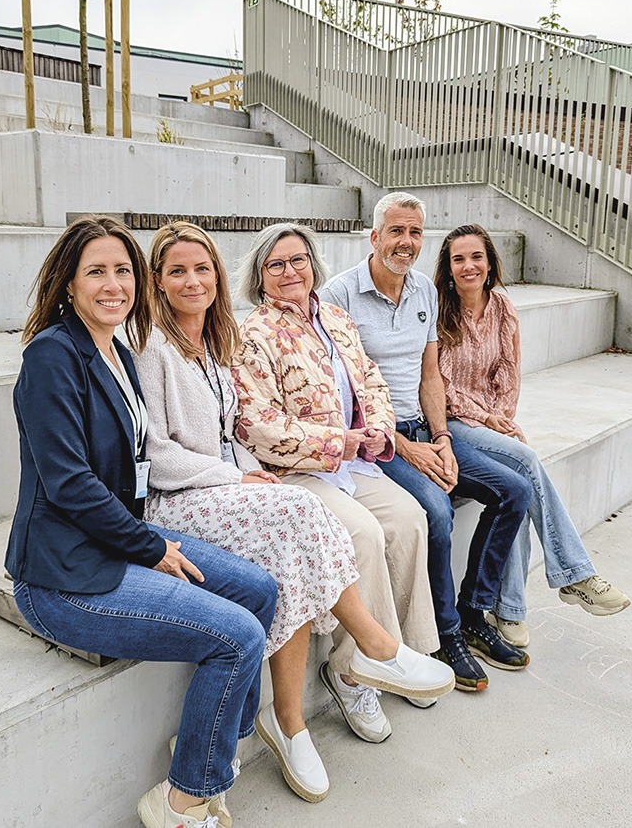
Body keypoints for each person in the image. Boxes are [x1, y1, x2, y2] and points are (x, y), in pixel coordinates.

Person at [134, 222, 453, 805]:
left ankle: (298, 714)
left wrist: (371, 432)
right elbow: (163, 452)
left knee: (336, 530)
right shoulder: (157, 346)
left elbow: (226, 430)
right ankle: (371, 652)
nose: (192, 280)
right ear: (157, 280)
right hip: (183, 494)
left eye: (202, 268)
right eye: (177, 270)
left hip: (230, 479)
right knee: (301, 515)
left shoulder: (210, 336)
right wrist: (245, 469)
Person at [4, 215, 278, 828]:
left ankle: (211, 756)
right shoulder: (52, 356)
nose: (112, 284)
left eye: (123, 271)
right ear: (68, 284)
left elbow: (137, 465)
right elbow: (69, 484)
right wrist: (151, 547)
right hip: (65, 576)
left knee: (259, 590)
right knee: (238, 637)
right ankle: (182, 802)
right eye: (95, 271)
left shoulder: (121, 356)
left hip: (118, 543)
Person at [232, 222, 450, 742]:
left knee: (410, 520)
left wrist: (377, 427)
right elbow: (257, 425)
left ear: (314, 265)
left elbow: (371, 378)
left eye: (298, 260)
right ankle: (353, 672)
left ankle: (407, 653)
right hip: (297, 469)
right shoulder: (254, 333)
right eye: (276, 264)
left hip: (354, 463)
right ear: (261, 277)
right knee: (364, 535)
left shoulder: (334, 316)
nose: (290, 272)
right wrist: (340, 442)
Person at [320, 192, 532, 693]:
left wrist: (440, 438)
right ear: (374, 237)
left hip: (424, 429)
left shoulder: (424, 291)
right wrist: (406, 445)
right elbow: (342, 397)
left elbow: (429, 373)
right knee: (436, 511)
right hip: (376, 439)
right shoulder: (338, 296)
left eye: (415, 232)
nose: (406, 242)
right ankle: (445, 634)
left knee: (514, 491)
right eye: (396, 231)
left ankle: (474, 610)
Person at [432, 223, 630, 648]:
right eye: (458, 259)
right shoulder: (438, 308)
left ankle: (511, 610)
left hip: (488, 423)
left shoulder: (502, 307)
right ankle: (575, 575)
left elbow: (509, 373)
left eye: (476, 257)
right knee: (525, 460)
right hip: (451, 423)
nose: (468, 266)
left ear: (490, 263)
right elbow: (441, 386)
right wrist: (487, 419)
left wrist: (501, 416)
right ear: (448, 269)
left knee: (518, 483)